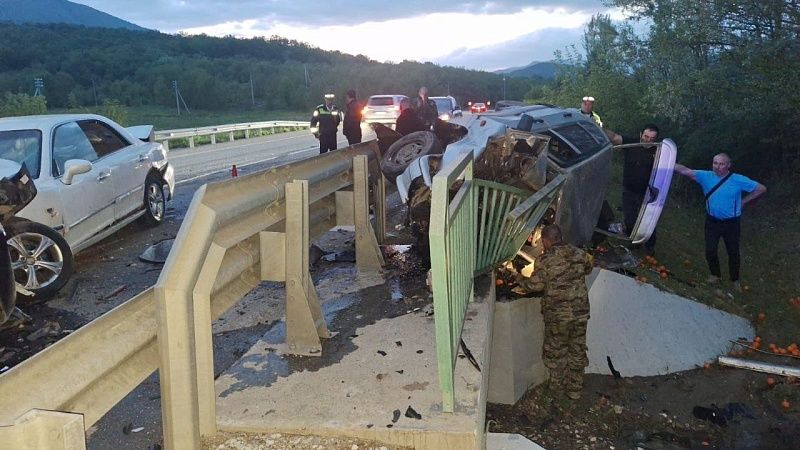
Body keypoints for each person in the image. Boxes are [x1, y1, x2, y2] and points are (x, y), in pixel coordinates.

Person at [515, 224, 593, 400]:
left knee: (556, 351)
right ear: (561, 237)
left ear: (544, 241)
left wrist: (518, 277)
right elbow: (588, 268)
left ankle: (556, 390)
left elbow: (534, 286)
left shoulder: (545, 260)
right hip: (580, 313)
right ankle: (575, 389)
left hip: (559, 316)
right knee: (577, 349)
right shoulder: (579, 253)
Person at [674, 153, 766, 291]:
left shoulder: (738, 180)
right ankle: (715, 275)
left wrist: (744, 201)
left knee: (733, 252)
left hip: (732, 224)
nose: (717, 167)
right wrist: (667, 160)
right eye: (715, 163)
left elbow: (761, 188)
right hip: (712, 222)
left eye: (721, 164)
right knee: (710, 250)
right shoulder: (705, 176)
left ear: (728, 165)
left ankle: (735, 279)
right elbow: (685, 170)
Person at [605, 124, 661, 254]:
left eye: (652, 138)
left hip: (647, 192)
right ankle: (634, 242)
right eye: (646, 136)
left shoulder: (658, 151)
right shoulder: (632, 143)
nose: (648, 140)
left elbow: (668, 166)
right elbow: (614, 137)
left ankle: (650, 246)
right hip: (629, 189)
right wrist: (597, 126)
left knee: (647, 219)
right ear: (641, 134)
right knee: (630, 218)